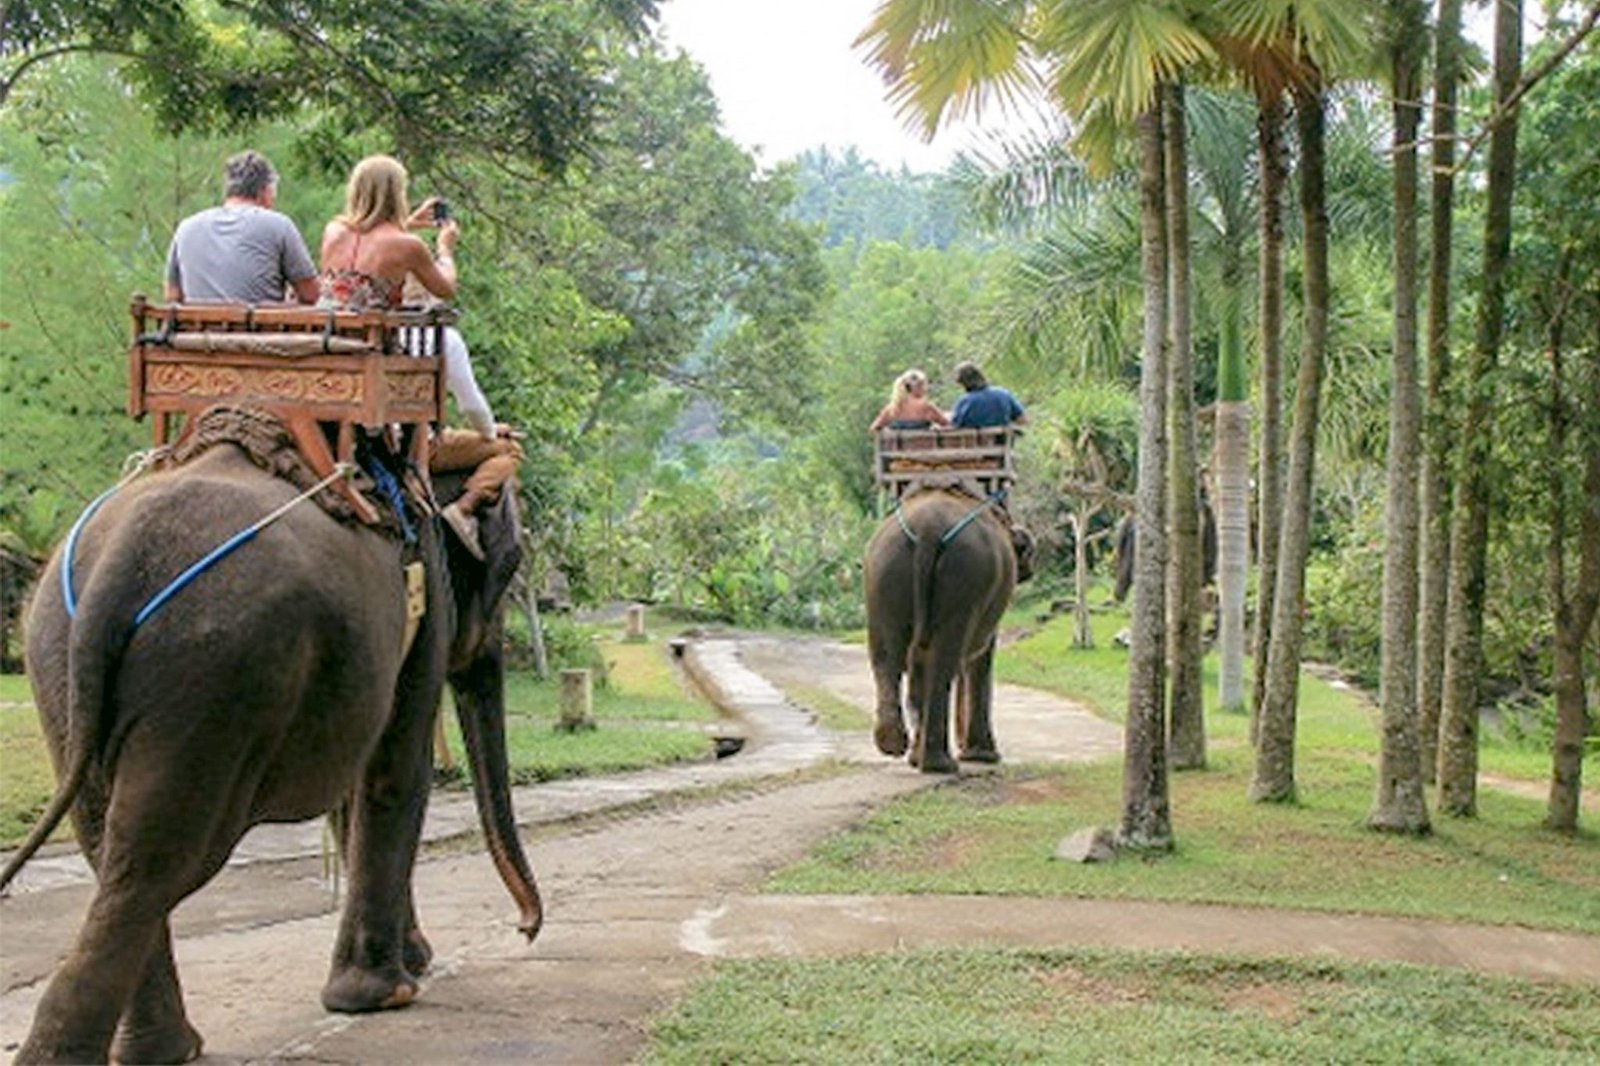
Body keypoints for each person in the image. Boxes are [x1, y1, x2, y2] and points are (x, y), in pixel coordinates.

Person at [317, 154, 520, 561]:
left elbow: (366, 252)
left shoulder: (334, 232)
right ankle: (460, 510)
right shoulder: (408, 249)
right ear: (398, 194)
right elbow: (444, 287)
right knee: (508, 451)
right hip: (377, 365)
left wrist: (408, 223)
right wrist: (444, 249)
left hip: (334, 356)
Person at [165, 149, 320, 305]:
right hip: (256, 329)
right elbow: (310, 294)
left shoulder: (186, 228)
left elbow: (172, 294)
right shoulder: (278, 225)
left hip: (195, 329)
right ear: (264, 191)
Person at [949, 361, 1027, 429]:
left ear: (963, 383)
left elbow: (953, 425)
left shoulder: (965, 402)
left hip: (974, 445)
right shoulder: (1004, 394)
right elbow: (1022, 420)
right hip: (1002, 444)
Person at [869, 368, 950, 432]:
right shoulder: (926, 407)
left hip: (898, 451)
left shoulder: (892, 408)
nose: (925, 389)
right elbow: (948, 424)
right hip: (924, 449)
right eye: (923, 385)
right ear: (918, 387)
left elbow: (874, 428)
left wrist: (888, 432)